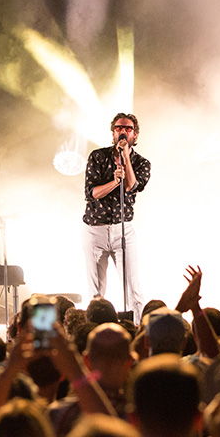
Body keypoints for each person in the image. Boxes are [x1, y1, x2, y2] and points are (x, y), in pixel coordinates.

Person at [82, 113, 151, 321]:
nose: (123, 132)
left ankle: (138, 328)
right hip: (95, 230)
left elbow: (132, 186)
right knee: (96, 291)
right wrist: (114, 182)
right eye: (119, 128)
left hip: (123, 230)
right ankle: (95, 330)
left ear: (135, 134)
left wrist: (126, 157)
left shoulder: (142, 163)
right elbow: (92, 193)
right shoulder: (97, 157)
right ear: (113, 132)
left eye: (128, 128)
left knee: (133, 288)